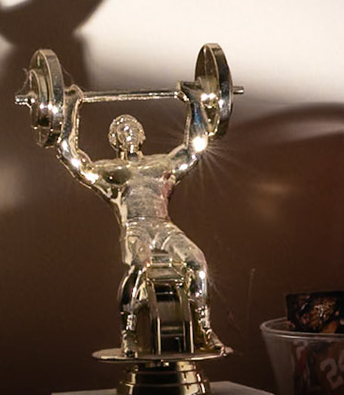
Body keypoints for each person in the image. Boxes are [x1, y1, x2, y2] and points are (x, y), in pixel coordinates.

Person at [50, 90, 223, 357]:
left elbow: (194, 149)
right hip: (136, 228)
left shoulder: (161, 164)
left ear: (142, 135)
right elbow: (72, 158)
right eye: (120, 130)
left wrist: (195, 102)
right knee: (142, 264)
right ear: (113, 140)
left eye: (132, 128)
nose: (127, 132)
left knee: (197, 263)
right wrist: (71, 107)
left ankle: (204, 329)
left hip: (163, 227)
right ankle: (128, 334)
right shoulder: (112, 171)